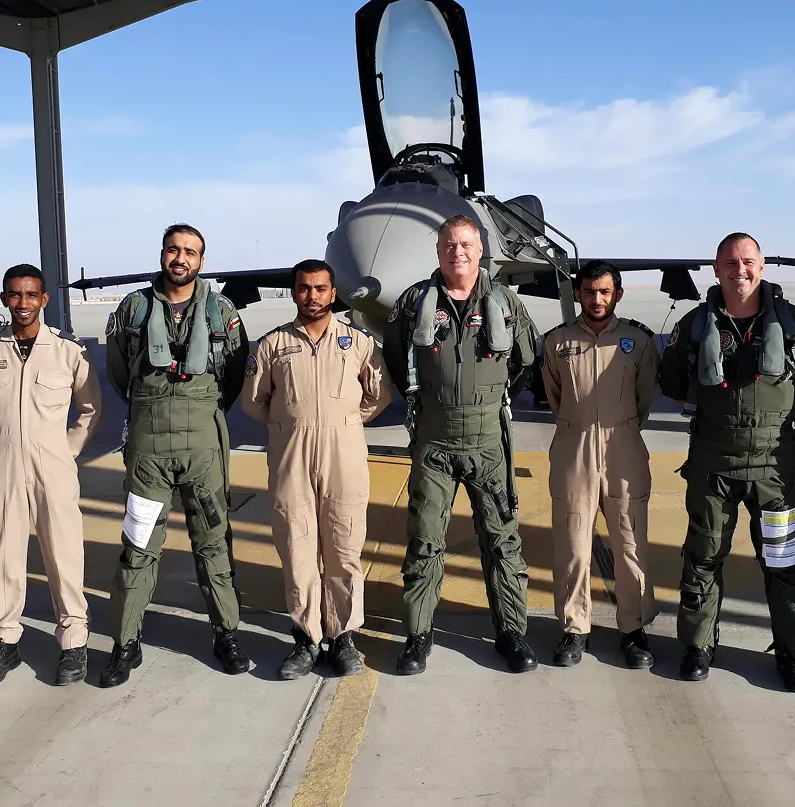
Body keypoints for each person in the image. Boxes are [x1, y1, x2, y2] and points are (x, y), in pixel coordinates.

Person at [658, 232, 795, 690]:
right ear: (716, 270)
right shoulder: (695, 326)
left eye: (749, 261)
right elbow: (673, 380)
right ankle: (698, 645)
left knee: (783, 560)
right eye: (731, 262)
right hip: (713, 467)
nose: (741, 270)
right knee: (703, 556)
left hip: (775, 471)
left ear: (762, 266)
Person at [382, 214, 540, 674]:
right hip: (434, 443)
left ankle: (512, 633)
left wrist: (484, 397)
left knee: (502, 541)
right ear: (438, 251)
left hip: (489, 443)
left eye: (467, 244)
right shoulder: (415, 302)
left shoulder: (505, 301)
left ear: (479, 249)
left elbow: (525, 357)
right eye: (450, 245)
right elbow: (396, 356)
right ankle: (418, 635)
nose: (458, 252)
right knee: (425, 541)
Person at [100, 223, 251, 687]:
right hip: (148, 452)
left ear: (201, 261)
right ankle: (126, 642)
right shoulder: (133, 309)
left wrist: (197, 407)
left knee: (213, 543)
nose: (180, 258)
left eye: (190, 251)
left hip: (203, 448)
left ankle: (226, 634)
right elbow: (119, 372)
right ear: (162, 254)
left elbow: (233, 375)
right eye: (173, 250)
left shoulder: (222, 312)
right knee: (139, 544)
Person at [242, 259, 393, 679]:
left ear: (333, 293)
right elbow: (253, 401)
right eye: (305, 288)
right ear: (294, 292)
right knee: (296, 546)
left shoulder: (358, 342)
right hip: (291, 453)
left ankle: (343, 636)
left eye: (321, 289)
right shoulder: (272, 344)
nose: (313, 296)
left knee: (344, 545)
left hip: (343, 453)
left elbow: (377, 396)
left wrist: (342, 421)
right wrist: (291, 423)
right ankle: (306, 638)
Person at [0, 263, 102, 687]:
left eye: (31, 295)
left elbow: (90, 410)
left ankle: (74, 641)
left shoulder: (67, 351)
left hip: (53, 463)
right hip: (2, 462)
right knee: (0, 552)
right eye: (15, 295)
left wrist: (66, 451)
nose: (23, 303)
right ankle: (3, 642)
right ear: (5, 299)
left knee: (64, 550)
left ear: (44, 300)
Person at [542, 260, 660, 669]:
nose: (597, 299)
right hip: (574, 445)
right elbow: (555, 395)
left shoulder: (637, 341)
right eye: (589, 291)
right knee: (573, 545)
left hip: (623, 443)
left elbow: (645, 397)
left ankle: (634, 628)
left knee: (630, 544)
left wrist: (617, 429)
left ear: (618, 295)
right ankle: (575, 628)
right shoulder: (556, 343)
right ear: (578, 294)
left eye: (605, 292)